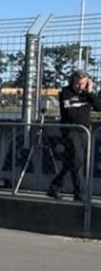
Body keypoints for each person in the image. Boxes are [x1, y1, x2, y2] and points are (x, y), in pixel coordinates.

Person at [49, 69, 100, 201]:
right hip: (71, 130)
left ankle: (54, 186)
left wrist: (90, 92)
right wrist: (83, 109)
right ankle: (79, 192)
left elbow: (99, 107)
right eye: (78, 83)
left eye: (83, 84)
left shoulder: (87, 94)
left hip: (84, 131)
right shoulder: (66, 93)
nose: (80, 86)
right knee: (77, 160)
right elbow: (70, 115)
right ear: (73, 81)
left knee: (73, 162)